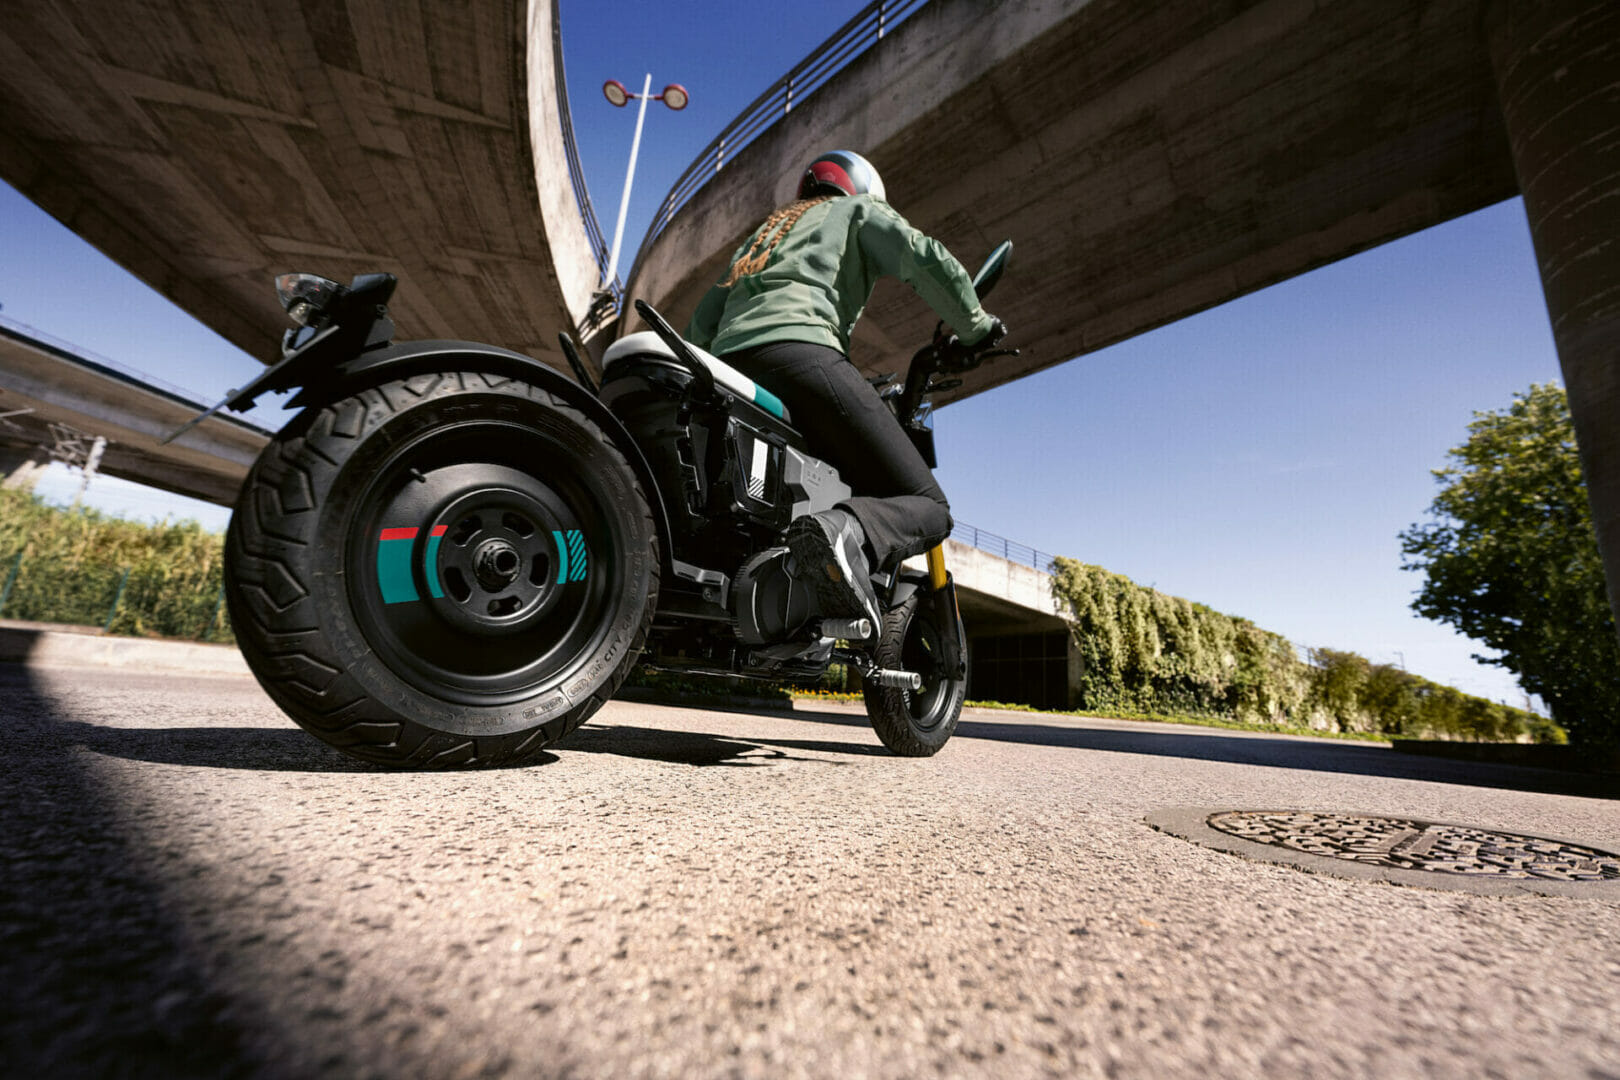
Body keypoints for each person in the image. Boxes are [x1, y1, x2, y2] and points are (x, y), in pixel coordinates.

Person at [685, 149, 1004, 627]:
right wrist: (976, 326)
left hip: (732, 373)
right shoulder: (857, 210)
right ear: (859, 186)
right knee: (930, 506)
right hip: (803, 354)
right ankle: (840, 530)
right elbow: (922, 257)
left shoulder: (763, 237)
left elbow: (702, 322)